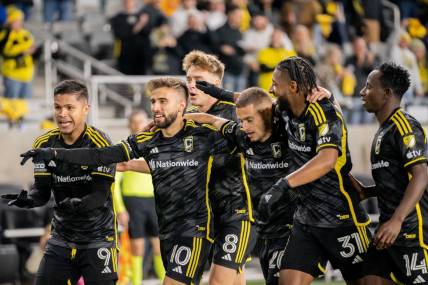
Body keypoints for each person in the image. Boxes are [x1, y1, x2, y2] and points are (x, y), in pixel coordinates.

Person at [21, 77, 225, 285]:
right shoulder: (146, 140)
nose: (155, 107)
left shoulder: (204, 134)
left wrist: (213, 119)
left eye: (163, 101)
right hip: (164, 223)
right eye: (153, 102)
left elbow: (243, 138)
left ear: (182, 105)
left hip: (193, 226)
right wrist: (55, 153)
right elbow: (100, 156)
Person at [184, 87, 326, 285]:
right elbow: (215, 121)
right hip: (266, 232)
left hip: (294, 228)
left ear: (267, 115)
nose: (244, 126)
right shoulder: (242, 136)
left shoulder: (289, 134)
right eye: (241, 121)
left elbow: (318, 117)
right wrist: (179, 119)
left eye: (249, 120)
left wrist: (329, 96)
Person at [2, 80, 118, 285]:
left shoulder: (100, 143)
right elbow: (43, 191)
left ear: (85, 109)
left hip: (98, 238)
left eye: (69, 107)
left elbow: (100, 195)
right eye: (57, 107)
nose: (62, 113)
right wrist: (29, 200)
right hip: (61, 239)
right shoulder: (43, 144)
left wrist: (76, 205)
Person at [267, 56, 370, 285]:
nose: (271, 89)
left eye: (275, 83)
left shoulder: (323, 112)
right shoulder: (284, 112)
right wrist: (219, 95)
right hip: (306, 219)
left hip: (340, 217)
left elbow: (327, 160)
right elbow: (253, 103)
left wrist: (283, 184)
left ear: (292, 86)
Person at [183, 50, 257, 285]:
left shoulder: (236, 111)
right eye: (189, 80)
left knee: (218, 281)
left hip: (239, 209)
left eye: (199, 81)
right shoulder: (189, 117)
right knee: (235, 279)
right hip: (209, 212)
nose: (192, 86)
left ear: (217, 84)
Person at [355, 62, 428, 284]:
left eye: (368, 86)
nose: (362, 91)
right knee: (367, 279)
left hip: (411, 232)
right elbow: (398, 181)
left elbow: (421, 174)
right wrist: (367, 192)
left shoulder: (403, 125)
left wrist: (396, 221)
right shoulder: (384, 129)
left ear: (386, 93)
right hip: (387, 233)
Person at [114, 111, 165, 284]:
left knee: (160, 248)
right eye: (134, 122)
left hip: (154, 203)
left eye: (141, 121)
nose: (137, 125)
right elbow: (114, 183)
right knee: (138, 249)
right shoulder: (125, 149)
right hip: (133, 203)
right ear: (129, 125)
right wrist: (120, 209)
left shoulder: (156, 146)